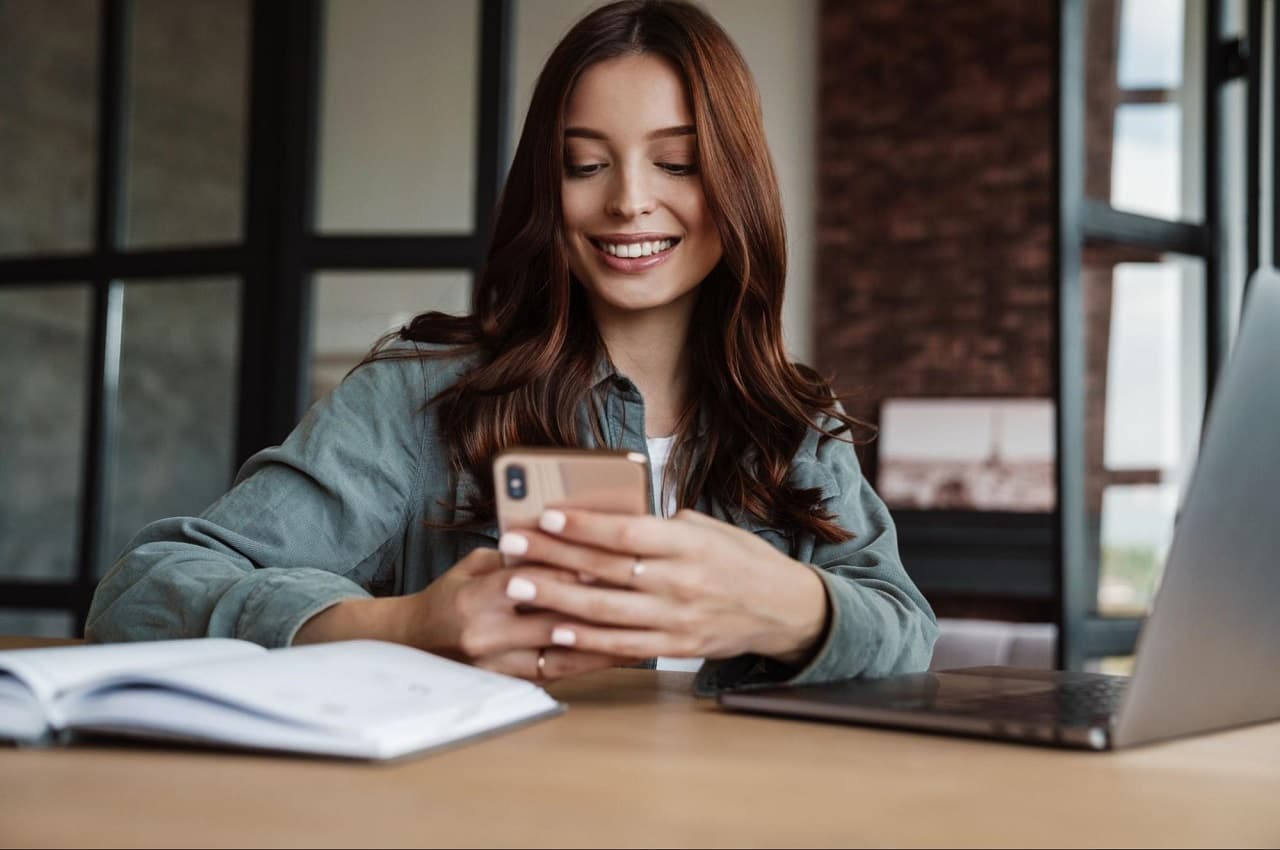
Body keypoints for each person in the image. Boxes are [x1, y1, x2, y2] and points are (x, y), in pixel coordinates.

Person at [86, 0, 937, 694]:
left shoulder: (793, 420)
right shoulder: (420, 397)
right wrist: (400, 627)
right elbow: (142, 591)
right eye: (583, 165)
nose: (629, 202)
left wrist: (788, 607)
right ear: (545, 185)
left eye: (678, 163)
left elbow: (906, 632)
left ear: (737, 182)